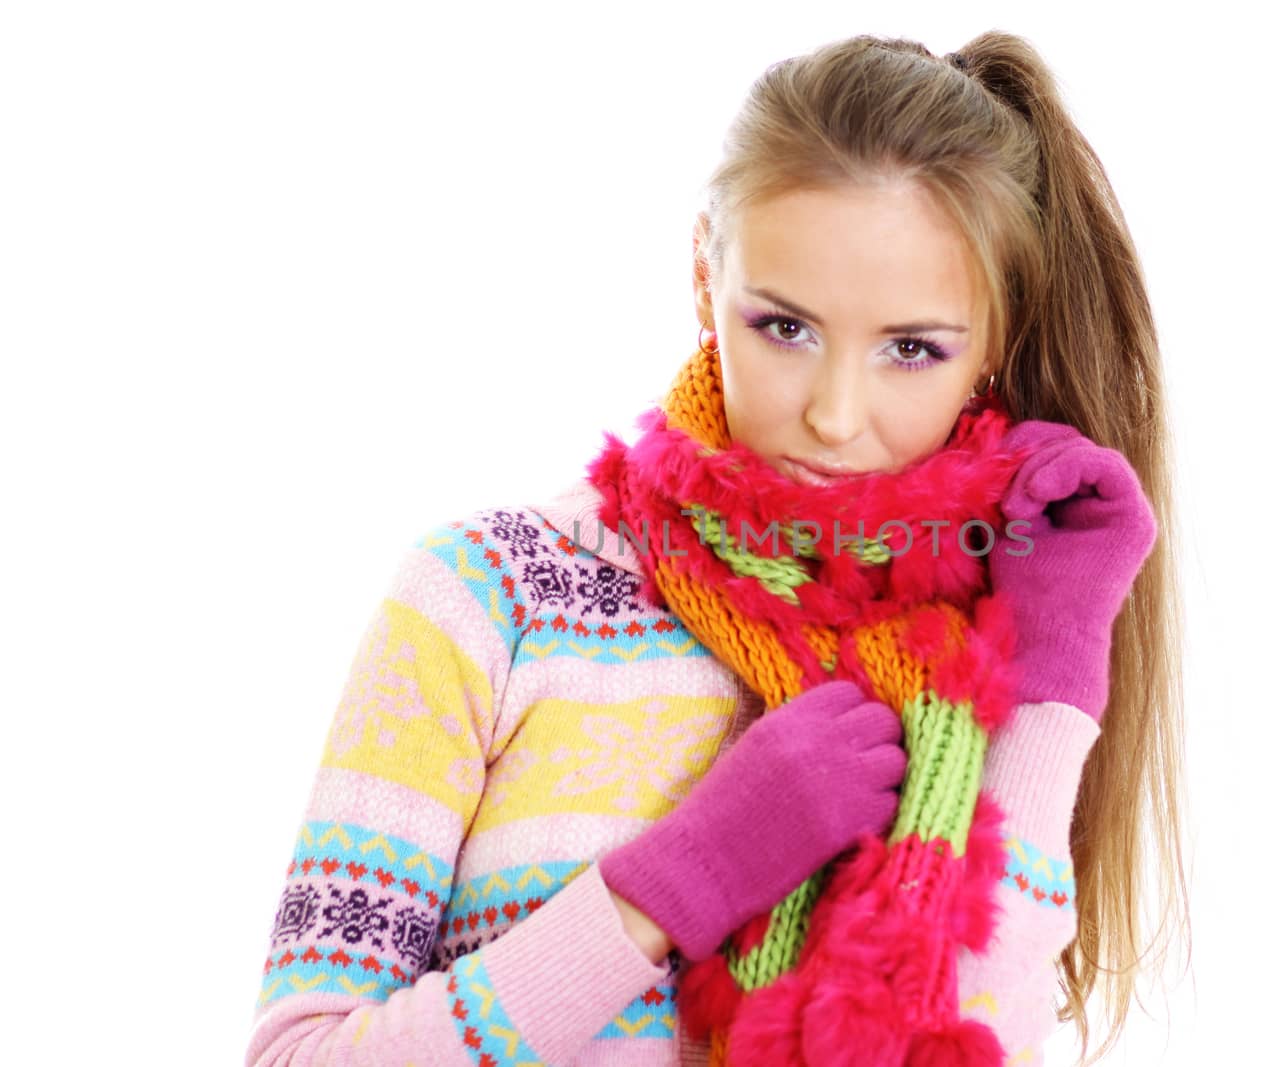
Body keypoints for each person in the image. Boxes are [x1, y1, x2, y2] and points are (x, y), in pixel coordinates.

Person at [244, 30, 1188, 1067]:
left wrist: (1053, 678)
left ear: (994, 345)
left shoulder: (962, 669)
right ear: (706, 278)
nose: (834, 414)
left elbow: (973, 1034)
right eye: (784, 326)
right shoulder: (489, 593)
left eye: (911, 348)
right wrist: (675, 880)